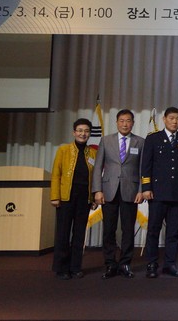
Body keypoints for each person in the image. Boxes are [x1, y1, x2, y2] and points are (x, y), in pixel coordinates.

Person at [92, 109, 145, 279]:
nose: (125, 124)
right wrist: (97, 190)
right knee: (109, 229)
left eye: (128, 121)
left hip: (131, 191)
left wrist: (141, 191)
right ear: (116, 122)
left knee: (128, 229)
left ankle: (125, 263)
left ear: (133, 123)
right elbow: (97, 167)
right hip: (108, 190)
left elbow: (143, 169)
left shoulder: (140, 142)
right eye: (121, 121)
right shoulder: (106, 140)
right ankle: (110, 263)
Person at [141, 107, 178, 278]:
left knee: (173, 232)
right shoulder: (153, 138)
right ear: (164, 119)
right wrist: (146, 188)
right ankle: (151, 263)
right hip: (157, 193)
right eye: (171, 118)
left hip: (177, 193)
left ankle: (170, 264)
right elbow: (146, 165)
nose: (175, 121)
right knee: (153, 230)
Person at [50, 118, 96, 280]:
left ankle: (75, 267)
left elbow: (95, 178)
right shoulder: (63, 150)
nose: (83, 134)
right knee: (63, 233)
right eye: (80, 130)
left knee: (79, 234)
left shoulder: (93, 153)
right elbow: (56, 174)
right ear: (74, 132)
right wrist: (55, 196)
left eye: (86, 131)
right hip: (66, 197)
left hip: (84, 198)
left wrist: (93, 198)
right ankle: (62, 268)